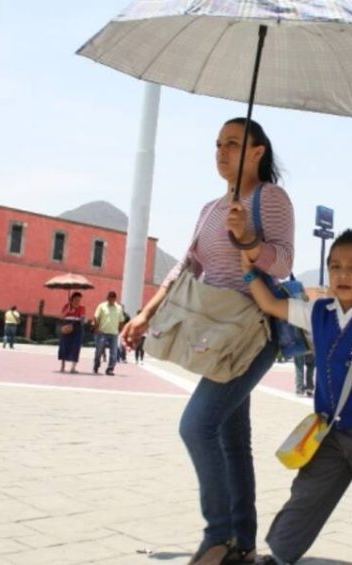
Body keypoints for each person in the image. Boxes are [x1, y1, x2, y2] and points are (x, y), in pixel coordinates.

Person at [121, 117, 294, 564]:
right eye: (218, 144)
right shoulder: (210, 208)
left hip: (250, 333)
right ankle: (243, 544)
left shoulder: (268, 199)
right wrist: (144, 313)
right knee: (232, 441)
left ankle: (218, 537)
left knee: (196, 425)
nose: (221, 152)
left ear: (257, 152)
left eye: (233, 144)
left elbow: (283, 262)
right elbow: (185, 269)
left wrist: (249, 240)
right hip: (214, 333)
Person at [244, 229, 352, 565]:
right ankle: (279, 555)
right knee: (306, 493)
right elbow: (268, 303)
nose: (343, 274)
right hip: (329, 433)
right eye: (335, 266)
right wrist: (248, 270)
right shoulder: (318, 312)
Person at [93, 291, 123, 375]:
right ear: (107, 298)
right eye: (109, 298)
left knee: (113, 352)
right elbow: (96, 317)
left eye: (113, 299)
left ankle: (110, 369)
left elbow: (121, 320)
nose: (111, 300)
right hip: (103, 332)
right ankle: (96, 365)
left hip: (114, 333)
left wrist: (120, 330)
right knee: (99, 351)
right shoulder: (102, 306)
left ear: (115, 299)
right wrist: (96, 328)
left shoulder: (119, 308)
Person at [58, 292, 86, 374]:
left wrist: (83, 318)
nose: (78, 301)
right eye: (76, 299)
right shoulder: (66, 306)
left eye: (79, 300)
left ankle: (73, 367)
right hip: (66, 327)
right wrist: (68, 310)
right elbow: (61, 316)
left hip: (77, 328)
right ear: (72, 299)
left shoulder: (82, 308)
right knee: (64, 345)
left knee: (76, 347)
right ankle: (62, 366)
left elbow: (83, 317)